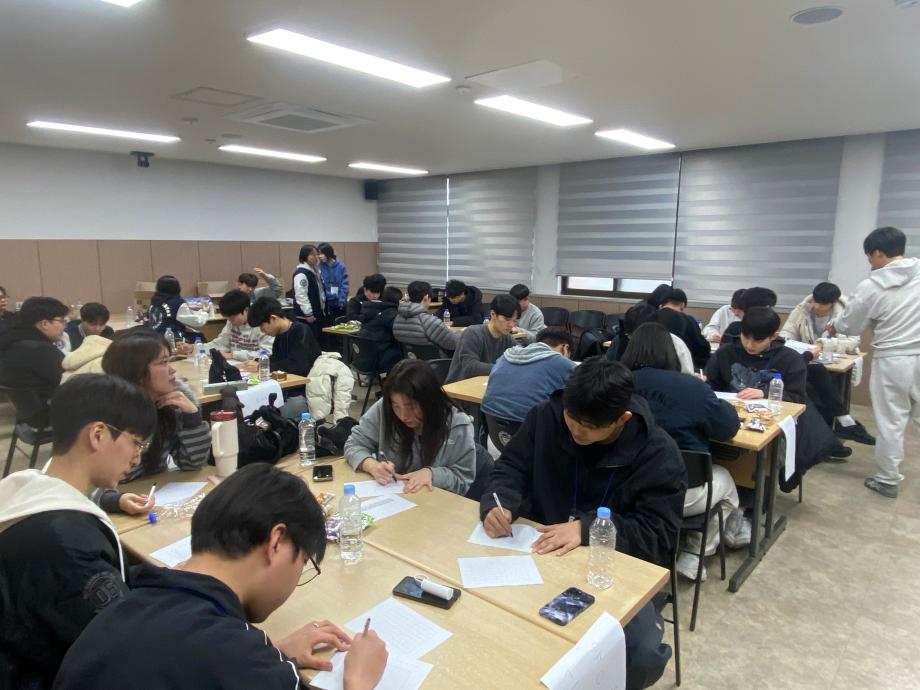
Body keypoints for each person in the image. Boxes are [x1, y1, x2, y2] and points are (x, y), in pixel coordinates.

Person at [53, 463, 388, 690]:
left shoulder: (123, 607)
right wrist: (358, 681)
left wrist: (275, 651)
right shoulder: (246, 664)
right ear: (277, 542)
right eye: (303, 563)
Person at [480, 357, 684, 690]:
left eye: (589, 426)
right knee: (489, 616)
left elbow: (658, 534)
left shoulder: (657, 453)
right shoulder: (546, 417)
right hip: (538, 554)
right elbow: (510, 467)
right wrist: (499, 503)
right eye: (572, 418)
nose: (576, 431)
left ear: (622, 419)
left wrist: (586, 530)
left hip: (611, 571)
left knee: (640, 654)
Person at [0, 374, 156, 689]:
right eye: (136, 442)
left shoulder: (24, 488)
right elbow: (123, 648)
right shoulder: (66, 542)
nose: (137, 456)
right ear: (98, 434)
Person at [621, 323, 749, 581]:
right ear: (671, 352)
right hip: (678, 493)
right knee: (726, 479)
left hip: (618, 489)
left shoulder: (615, 383)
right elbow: (727, 428)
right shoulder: (691, 386)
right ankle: (696, 551)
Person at [706, 307, 850, 487]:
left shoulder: (789, 359)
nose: (750, 345)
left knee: (772, 448)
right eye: (745, 337)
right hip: (732, 417)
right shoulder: (726, 353)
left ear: (773, 336)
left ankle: (766, 486)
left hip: (771, 423)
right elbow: (712, 385)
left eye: (758, 340)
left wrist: (764, 393)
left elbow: (797, 399)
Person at [835, 226, 920, 498]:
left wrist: (837, 323)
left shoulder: (872, 285)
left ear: (879, 253)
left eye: (869, 256)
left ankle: (887, 479)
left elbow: (850, 326)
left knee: (891, 421)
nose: (869, 262)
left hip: (894, 359)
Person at [100, 329, 212, 497]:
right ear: (137, 371)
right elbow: (86, 482)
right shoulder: (105, 414)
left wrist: (193, 418)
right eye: (163, 363)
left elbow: (192, 464)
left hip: (153, 492)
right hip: (112, 502)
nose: (172, 370)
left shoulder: (171, 402)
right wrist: (114, 500)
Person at [344, 359, 476, 495]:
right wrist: (372, 465)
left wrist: (432, 474)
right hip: (396, 498)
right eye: (396, 406)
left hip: (437, 501)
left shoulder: (457, 423)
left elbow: (463, 478)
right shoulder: (384, 408)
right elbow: (354, 444)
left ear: (429, 401)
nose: (403, 415)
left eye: (411, 406)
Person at [781, 282, 875, 446]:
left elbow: (853, 341)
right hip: (809, 359)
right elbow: (788, 331)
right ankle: (843, 423)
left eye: (822, 304)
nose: (817, 306)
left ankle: (834, 431)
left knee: (819, 383)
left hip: (831, 359)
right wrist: (787, 341)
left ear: (833, 302)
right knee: (816, 380)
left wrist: (825, 344)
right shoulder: (802, 309)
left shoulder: (845, 313)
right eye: (815, 301)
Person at [481, 327, 577, 423]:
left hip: (492, 424)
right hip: (532, 428)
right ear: (565, 348)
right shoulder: (561, 362)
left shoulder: (505, 356)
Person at [0, 296, 68, 426]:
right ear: (44, 324)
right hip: (52, 414)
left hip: (28, 416)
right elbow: (68, 380)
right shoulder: (39, 349)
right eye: (61, 321)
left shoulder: (12, 342)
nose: (64, 326)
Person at [445, 294, 519, 384]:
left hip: (487, 385)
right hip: (459, 387)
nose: (511, 325)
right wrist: (503, 369)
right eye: (507, 319)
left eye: (514, 321)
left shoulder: (507, 338)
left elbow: (522, 355)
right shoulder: (473, 333)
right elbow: (470, 366)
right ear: (493, 314)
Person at [606, 301, 694, 374]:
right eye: (630, 336)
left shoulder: (675, 343)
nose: (636, 340)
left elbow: (687, 376)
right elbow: (609, 370)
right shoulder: (621, 339)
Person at [248, 297, 322, 377]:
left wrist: (263, 366)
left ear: (273, 318)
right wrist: (258, 361)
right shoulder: (280, 334)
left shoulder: (301, 330)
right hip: (289, 379)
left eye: (261, 325)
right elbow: (277, 360)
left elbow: (298, 365)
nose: (262, 330)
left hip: (306, 381)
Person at [392, 280, 459, 356]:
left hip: (411, 360)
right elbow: (452, 344)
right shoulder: (430, 321)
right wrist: (462, 334)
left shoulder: (397, 319)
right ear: (426, 298)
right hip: (437, 361)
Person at [205, 289, 274, 363]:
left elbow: (267, 353)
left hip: (254, 366)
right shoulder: (231, 322)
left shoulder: (263, 324)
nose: (230, 322)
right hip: (234, 364)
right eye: (228, 319)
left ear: (246, 310)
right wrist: (198, 348)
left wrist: (233, 355)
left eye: (232, 318)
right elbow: (221, 343)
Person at [353, 286, 404, 374]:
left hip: (360, 358)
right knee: (404, 353)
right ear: (397, 301)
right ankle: (395, 379)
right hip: (376, 361)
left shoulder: (369, 309)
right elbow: (399, 335)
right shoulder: (391, 314)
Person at [656, 288, 710, 368]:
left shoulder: (649, 316)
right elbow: (703, 348)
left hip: (650, 365)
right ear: (682, 305)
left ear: (662, 304)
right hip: (679, 368)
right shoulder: (688, 320)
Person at [146, 275, 208, 343]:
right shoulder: (177, 302)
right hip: (171, 338)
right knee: (200, 337)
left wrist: (187, 307)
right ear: (177, 288)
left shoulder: (154, 300)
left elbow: (165, 312)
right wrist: (204, 312)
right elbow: (197, 322)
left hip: (153, 337)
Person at [291, 243, 326, 339]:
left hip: (318, 313)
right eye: (313, 255)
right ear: (305, 256)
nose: (316, 257)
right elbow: (301, 295)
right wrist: (308, 313)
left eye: (317, 254)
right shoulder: (301, 273)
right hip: (307, 317)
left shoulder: (315, 271)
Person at [317, 242, 350, 324]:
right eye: (318, 254)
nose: (319, 256)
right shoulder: (318, 267)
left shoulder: (341, 266)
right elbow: (320, 287)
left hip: (340, 303)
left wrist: (341, 300)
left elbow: (345, 285)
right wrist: (330, 296)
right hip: (326, 304)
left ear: (328, 253)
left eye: (321, 254)